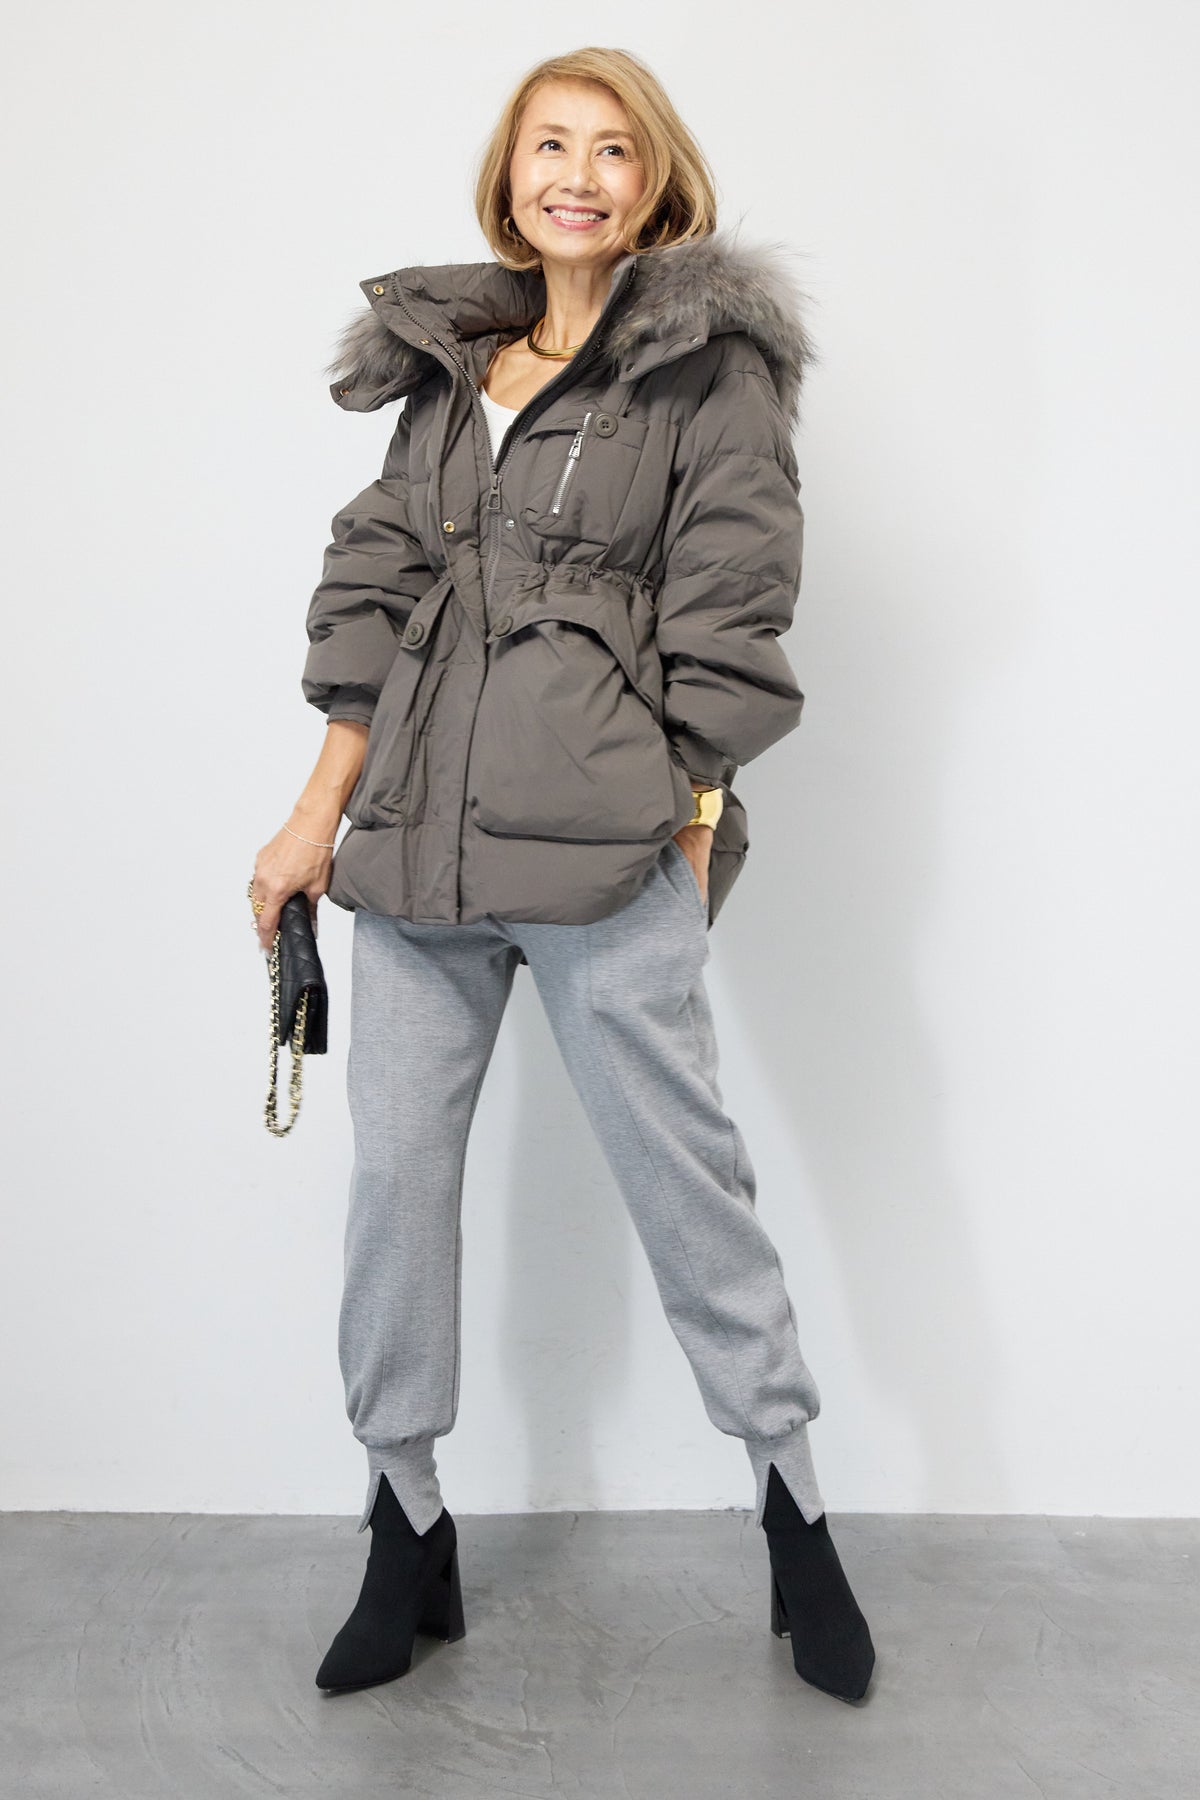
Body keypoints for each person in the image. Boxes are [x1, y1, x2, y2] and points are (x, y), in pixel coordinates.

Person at [249, 46, 875, 1704]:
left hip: (608, 860)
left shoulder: (708, 374)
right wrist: (313, 821)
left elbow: (735, 597)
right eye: (549, 146)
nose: (576, 176)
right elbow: (374, 596)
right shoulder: (451, 367)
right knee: (397, 1195)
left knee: (688, 1190)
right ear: (509, 174)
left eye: (610, 150)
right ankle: (405, 1523)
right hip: (415, 857)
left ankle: (796, 1513)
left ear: (655, 184)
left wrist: (691, 806)